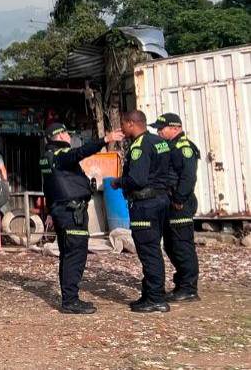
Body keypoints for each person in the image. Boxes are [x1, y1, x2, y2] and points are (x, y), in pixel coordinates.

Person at [40, 123, 125, 314]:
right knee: (75, 255)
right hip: (71, 213)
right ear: (60, 136)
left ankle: (68, 298)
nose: (69, 137)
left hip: (62, 210)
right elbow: (80, 152)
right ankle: (70, 301)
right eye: (66, 134)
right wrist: (105, 139)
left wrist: (51, 212)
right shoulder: (60, 155)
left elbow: (50, 187)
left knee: (67, 254)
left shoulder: (47, 158)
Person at [110, 111, 177, 313]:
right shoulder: (160, 142)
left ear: (132, 123)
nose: (122, 129)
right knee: (153, 248)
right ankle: (150, 294)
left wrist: (118, 182)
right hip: (161, 201)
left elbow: (137, 179)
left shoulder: (140, 145)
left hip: (145, 204)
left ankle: (155, 298)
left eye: (124, 124)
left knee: (149, 251)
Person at [153, 113, 201, 303]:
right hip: (171, 201)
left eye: (161, 128)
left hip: (180, 203)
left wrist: (179, 198)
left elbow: (188, 177)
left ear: (175, 128)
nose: (158, 131)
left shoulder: (184, 147)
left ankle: (189, 288)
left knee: (182, 246)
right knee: (171, 245)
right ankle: (182, 284)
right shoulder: (169, 147)